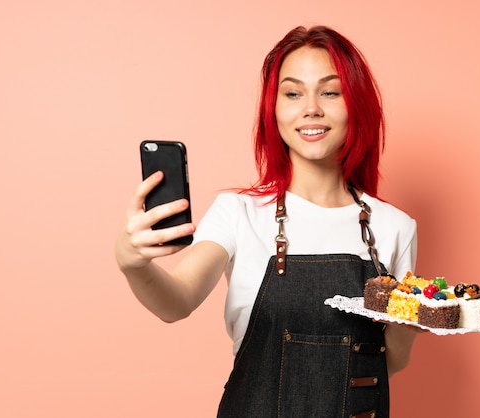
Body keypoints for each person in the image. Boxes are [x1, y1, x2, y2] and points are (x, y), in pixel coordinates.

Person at [115, 25, 419, 418]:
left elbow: (390, 361)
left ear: (355, 104)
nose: (311, 108)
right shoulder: (237, 212)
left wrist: (414, 317)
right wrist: (132, 263)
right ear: (273, 110)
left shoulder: (395, 226)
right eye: (292, 93)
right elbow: (176, 301)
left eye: (330, 91)